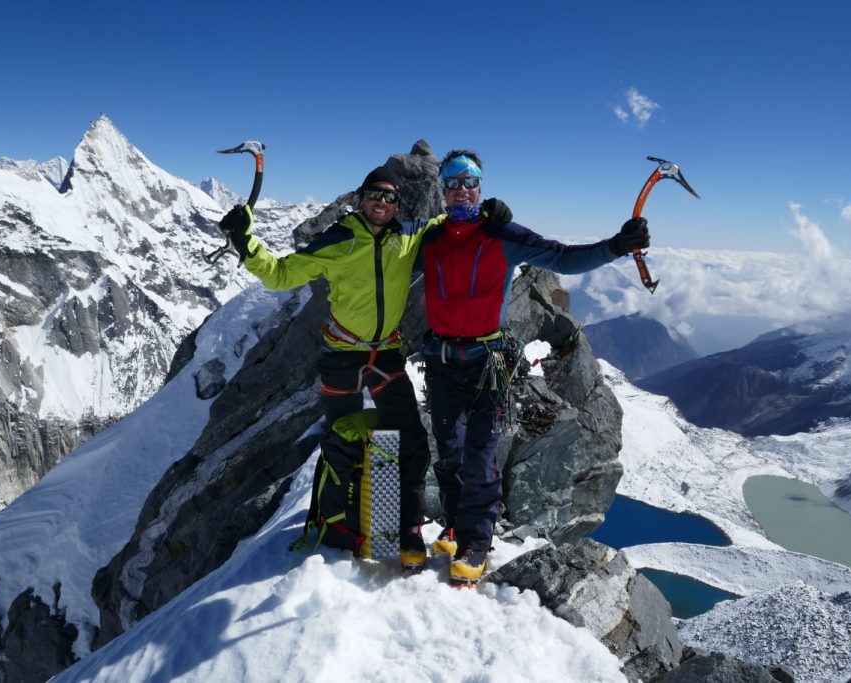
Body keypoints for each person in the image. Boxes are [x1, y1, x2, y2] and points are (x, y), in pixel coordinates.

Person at [218, 164, 512, 570]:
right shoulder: (338, 239)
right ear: (361, 198)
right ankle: (348, 528)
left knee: (408, 439)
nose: (382, 202)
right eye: (375, 194)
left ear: (397, 206)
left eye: (391, 197)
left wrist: (488, 212)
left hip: (385, 355)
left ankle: (406, 528)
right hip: (342, 356)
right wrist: (244, 240)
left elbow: (452, 221)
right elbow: (281, 274)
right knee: (345, 441)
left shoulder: (409, 236)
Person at [420, 150, 650, 584]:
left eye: (470, 180)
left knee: (481, 455)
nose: (462, 188)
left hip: (488, 362)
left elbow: (561, 258)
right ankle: (453, 527)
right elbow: (385, 247)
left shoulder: (502, 233)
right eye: (453, 181)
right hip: (443, 361)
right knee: (448, 451)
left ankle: (476, 541)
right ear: (442, 190)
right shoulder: (430, 237)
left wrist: (617, 247)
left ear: (481, 186)